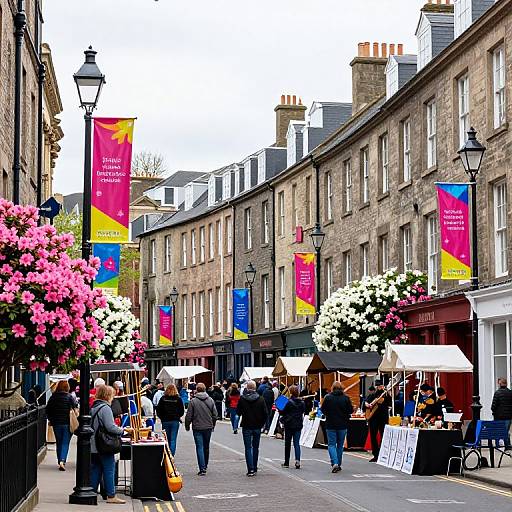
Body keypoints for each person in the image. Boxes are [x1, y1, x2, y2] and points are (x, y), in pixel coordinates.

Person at [90, 385, 125, 504]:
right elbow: (110, 427)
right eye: (112, 395)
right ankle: (111, 496)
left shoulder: (94, 407)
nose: (113, 398)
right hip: (103, 445)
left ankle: (92, 492)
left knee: (96, 469)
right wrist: (123, 430)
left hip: (93, 445)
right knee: (109, 469)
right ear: (107, 395)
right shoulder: (105, 408)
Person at [236, 380, 268, 477]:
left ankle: (250, 469)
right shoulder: (261, 399)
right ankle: (254, 466)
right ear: (255, 388)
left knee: (248, 447)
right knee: (255, 447)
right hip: (257, 426)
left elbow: (238, 412)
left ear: (247, 388)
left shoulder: (242, 399)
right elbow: (266, 413)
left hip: (246, 425)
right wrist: (262, 423)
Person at [185, 383, 218, 475]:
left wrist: (187, 426)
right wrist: (213, 425)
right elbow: (215, 415)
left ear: (196, 390)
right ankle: (205, 465)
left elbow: (189, 416)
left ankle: (202, 468)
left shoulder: (193, 401)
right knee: (206, 446)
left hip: (197, 427)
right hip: (208, 427)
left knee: (199, 447)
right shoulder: (210, 400)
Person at [321, 381, 353, 472]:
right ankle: (338, 463)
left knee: (331, 444)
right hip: (343, 424)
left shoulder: (328, 398)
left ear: (332, 388)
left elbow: (323, 410)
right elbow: (350, 410)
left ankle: (334, 462)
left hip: (330, 424)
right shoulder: (346, 398)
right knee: (340, 445)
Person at [46, 380, 78, 471]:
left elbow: (48, 409)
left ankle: (59, 459)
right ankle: (62, 460)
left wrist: (50, 419)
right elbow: (75, 407)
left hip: (56, 423)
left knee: (59, 442)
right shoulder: (69, 397)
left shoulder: (53, 397)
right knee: (65, 442)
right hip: (67, 423)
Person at [364, 379, 391, 462]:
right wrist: (367, 404)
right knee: (373, 436)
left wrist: (385, 400)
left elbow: (390, 404)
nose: (379, 387)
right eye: (378, 386)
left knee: (384, 435)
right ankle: (375, 454)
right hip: (373, 418)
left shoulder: (386, 395)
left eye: (380, 386)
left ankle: (384, 453)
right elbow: (365, 402)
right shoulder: (372, 395)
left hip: (383, 417)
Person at [281, 385, 305, 469]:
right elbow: (303, 411)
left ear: (290, 392)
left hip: (289, 424)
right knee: (296, 443)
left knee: (287, 443)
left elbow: (283, 412)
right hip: (298, 424)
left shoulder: (288, 402)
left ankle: (286, 462)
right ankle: (297, 460)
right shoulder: (302, 402)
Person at [156, 384, 185, 455]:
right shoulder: (178, 399)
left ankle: (167, 454)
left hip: (165, 420)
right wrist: (178, 416)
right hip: (175, 421)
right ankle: (171, 455)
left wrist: (161, 417)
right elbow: (181, 410)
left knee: (167, 438)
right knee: (173, 439)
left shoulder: (163, 399)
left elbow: (158, 410)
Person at [491, 378, 512, 448]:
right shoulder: (510, 392)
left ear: (499, 384)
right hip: (508, 416)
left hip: (499, 416)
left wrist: (494, 411)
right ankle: (507, 445)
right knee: (506, 431)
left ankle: (497, 445)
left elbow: (493, 406)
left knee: (498, 430)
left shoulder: (497, 393)